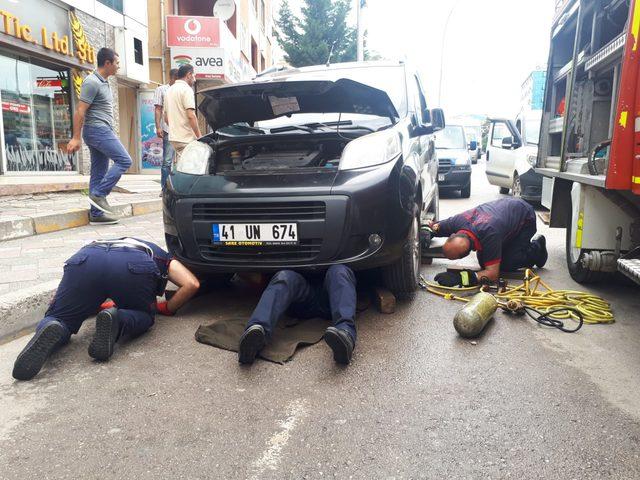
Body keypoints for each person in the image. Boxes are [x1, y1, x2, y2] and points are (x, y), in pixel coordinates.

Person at [12, 238, 200, 381]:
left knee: (59, 317)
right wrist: (167, 307)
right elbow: (191, 284)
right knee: (143, 315)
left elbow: (88, 288)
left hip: (86, 259)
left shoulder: (102, 244)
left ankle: (55, 325)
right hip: (133, 262)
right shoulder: (160, 254)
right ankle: (119, 320)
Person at [238, 265, 357, 365]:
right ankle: (255, 337)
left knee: (340, 271)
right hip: (300, 296)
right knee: (284, 276)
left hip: (332, 295)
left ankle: (345, 336)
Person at [68, 48, 131, 226]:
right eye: (117, 63)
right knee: (125, 160)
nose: (118, 66)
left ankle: (96, 214)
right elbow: (80, 111)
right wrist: (75, 137)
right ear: (107, 63)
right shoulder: (92, 82)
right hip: (97, 130)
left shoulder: (105, 82)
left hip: (101, 130)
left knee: (98, 172)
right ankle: (99, 194)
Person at [428, 197, 548, 286]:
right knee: (486, 261)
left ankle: (537, 248)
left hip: (525, 217)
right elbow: (434, 227)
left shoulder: (490, 236)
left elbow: (493, 275)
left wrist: (460, 278)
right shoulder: (458, 221)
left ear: (468, 253)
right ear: (454, 234)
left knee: (507, 264)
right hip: (506, 210)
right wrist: (426, 233)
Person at [164, 64, 201, 161]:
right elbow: (191, 116)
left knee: (182, 165)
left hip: (174, 138)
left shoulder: (169, 90)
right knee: (193, 167)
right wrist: (199, 136)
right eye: (194, 76)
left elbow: (166, 118)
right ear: (189, 75)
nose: (194, 79)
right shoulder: (186, 90)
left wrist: (175, 127)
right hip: (186, 138)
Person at [153, 68, 178, 194]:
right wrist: (158, 127)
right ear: (173, 78)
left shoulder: (181, 91)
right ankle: (164, 189)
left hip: (181, 130)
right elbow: (158, 109)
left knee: (181, 162)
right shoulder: (162, 90)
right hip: (168, 129)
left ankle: (176, 187)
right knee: (167, 160)